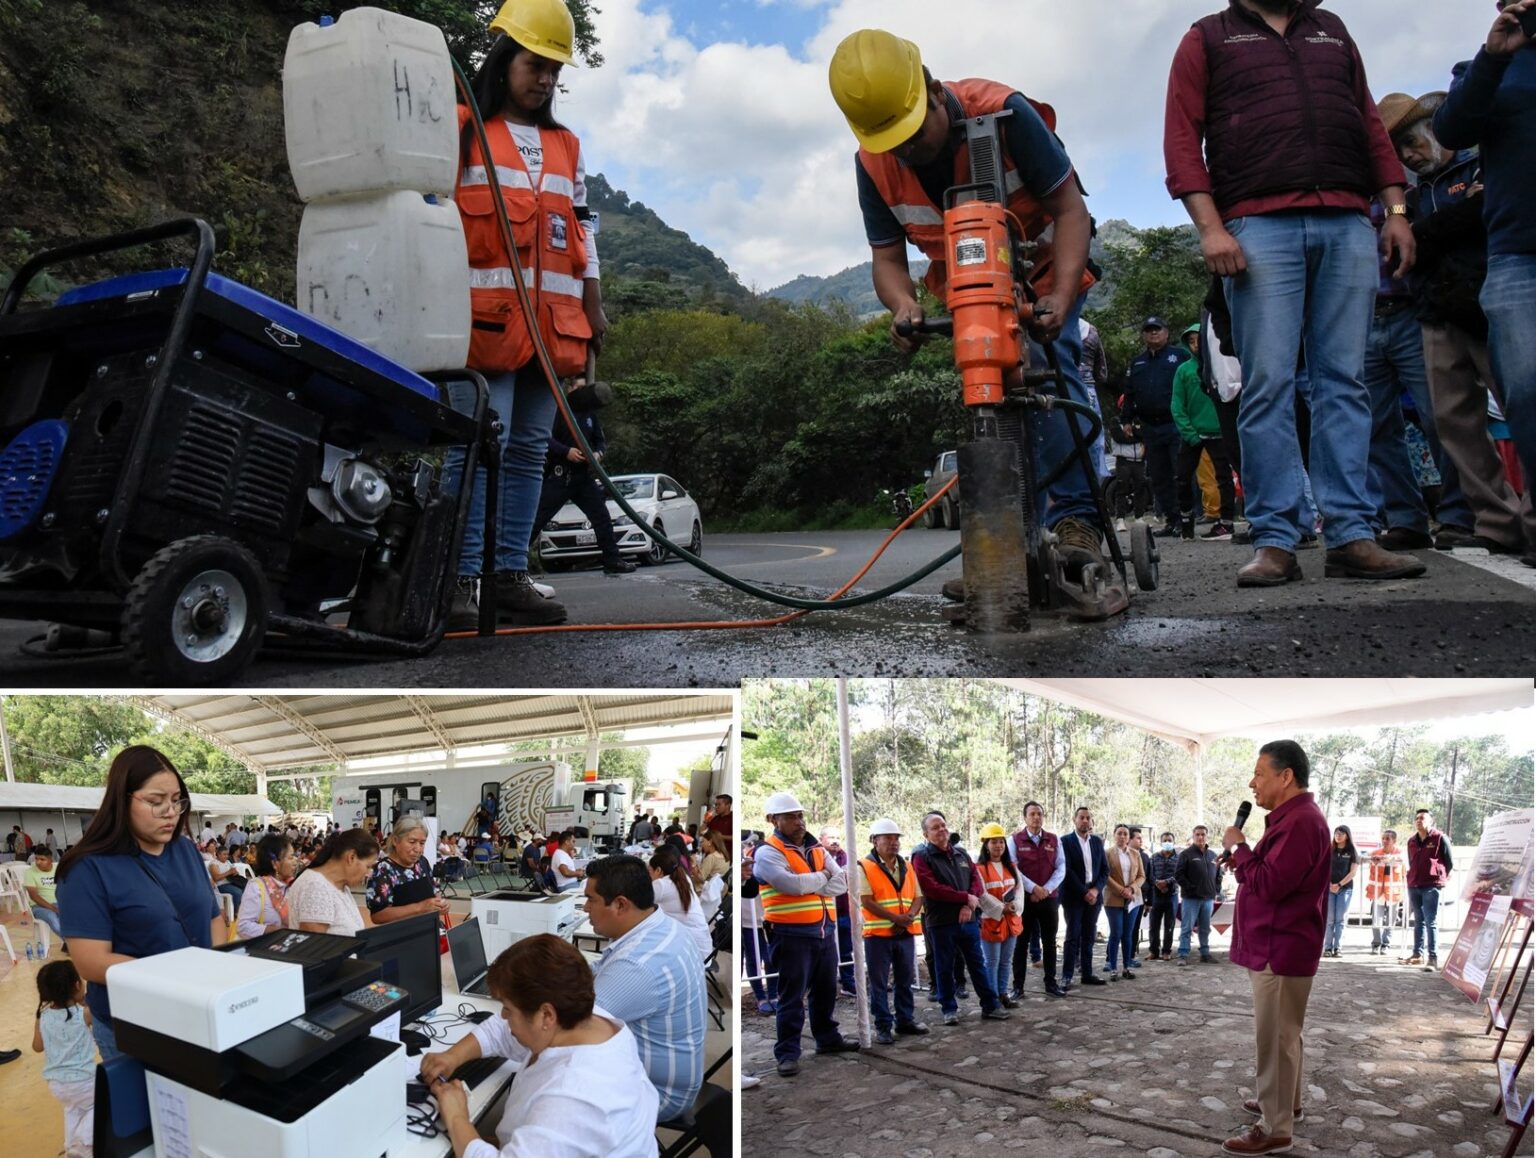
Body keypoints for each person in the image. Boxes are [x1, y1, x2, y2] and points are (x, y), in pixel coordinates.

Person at [828, 28, 1115, 597]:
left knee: (1045, 360)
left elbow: (1071, 210)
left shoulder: (1004, 113)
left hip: (1045, 267)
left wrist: (1057, 297)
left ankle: (1077, 523)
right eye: (892, 141)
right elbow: (887, 261)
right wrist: (904, 305)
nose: (906, 150)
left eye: (911, 134)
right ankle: (1006, 542)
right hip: (969, 287)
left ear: (934, 90)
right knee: (988, 379)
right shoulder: (872, 164)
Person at [1164, 0, 1428, 588]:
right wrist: (1211, 228)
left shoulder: (1330, 30)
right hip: (1259, 227)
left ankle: (1353, 535)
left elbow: (1367, 124)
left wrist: (1396, 210)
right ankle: (1276, 539)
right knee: (1269, 385)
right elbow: (1183, 138)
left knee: (1344, 382)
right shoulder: (1207, 38)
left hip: (1346, 220)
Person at [443, 0, 608, 630]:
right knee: (479, 446)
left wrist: (594, 305)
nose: (544, 80)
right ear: (505, 59)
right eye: (535, 65)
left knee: (531, 449)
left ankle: (507, 574)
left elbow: (582, 229)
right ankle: (460, 581)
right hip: (483, 325)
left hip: (553, 327)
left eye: (554, 72)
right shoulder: (463, 129)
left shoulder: (567, 144)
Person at [1434, 0, 1536, 564]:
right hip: (1518, 252)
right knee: (1524, 389)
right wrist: (1494, 55)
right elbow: (1452, 128)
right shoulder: (1487, 67)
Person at [55, 746, 223, 1063]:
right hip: (132, 1023)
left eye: (176, 801)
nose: (170, 812)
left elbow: (213, 918)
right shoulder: (87, 868)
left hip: (195, 1009)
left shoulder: (185, 851)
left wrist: (206, 974)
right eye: (155, 802)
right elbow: (90, 961)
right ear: (122, 800)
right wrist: (175, 979)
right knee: (142, 1110)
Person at [422, 934, 659, 1157]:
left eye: (508, 1009)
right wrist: (452, 1056)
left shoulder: (575, 1097)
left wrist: (456, 1117)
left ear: (546, 1015)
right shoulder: (587, 1020)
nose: (503, 1017)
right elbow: (501, 1031)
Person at [1220, 740, 1331, 1156]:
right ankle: (1287, 1103)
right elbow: (1272, 874)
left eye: (1260, 774)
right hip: (1279, 945)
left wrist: (1241, 847)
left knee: (1275, 1037)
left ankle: (1275, 1128)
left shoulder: (1301, 821)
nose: (1253, 783)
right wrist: (1246, 861)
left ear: (1286, 777)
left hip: (1280, 948)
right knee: (1286, 1034)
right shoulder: (1292, 819)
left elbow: (1270, 885)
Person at [582, 854, 706, 1120]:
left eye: (590, 899)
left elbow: (572, 1028)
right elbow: (600, 971)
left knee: (543, 1080)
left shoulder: (638, 964)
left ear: (620, 905)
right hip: (670, 1077)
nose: (584, 908)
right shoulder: (660, 927)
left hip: (658, 1093)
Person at [753, 791, 858, 1076]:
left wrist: (814, 881)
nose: (799, 821)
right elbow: (790, 885)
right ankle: (787, 1052)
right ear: (774, 820)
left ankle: (827, 1038)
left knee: (826, 991)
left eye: (800, 815)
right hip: (790, 934)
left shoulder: (817, 849)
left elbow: (841, 882)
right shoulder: (767, 852)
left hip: (824, 931)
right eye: (790, 816)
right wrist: (823, 878)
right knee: (792, 996)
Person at [911, 812, 1011, 1026]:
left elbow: (975, 879)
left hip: (969, 920)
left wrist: (968, 903)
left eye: (943, 825)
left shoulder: (961, 854)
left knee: (977, 964)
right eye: (935, 827)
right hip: (941, 922)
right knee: (944, 966)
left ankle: (990, 1005)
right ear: (926, 834)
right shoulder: (922, 858)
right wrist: (964, 898)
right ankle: (949, 1008)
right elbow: (932, 888)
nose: (941, 830)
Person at [530, 388, 636, 576]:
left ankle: (612, 560)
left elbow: (600, 441)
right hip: (561, 475)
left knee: (602, 516)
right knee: (538, 518)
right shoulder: (557, 411)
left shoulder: (590, 415)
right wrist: (566, 452)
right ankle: (512, 564)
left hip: (584, 477)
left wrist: (598, 454)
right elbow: (545, 439)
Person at [858, 818, 928, 1044]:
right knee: (879, 983)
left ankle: (905, 1020)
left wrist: (907, 918)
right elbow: (866, 901)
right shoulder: (864, 866)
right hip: (878, 935)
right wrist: (895, 918)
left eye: (896, 838)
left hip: (905, 932)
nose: (894, 842)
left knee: (904, 978)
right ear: (874, 841)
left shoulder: (906, 865)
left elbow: (918, 896)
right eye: (888, 838)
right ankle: (883, 1025)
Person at [1124, 318, 1191, 534]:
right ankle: (1171, 520)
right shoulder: (1138, 363)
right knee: (1159, 476)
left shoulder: (1180, 357)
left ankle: (1186, 519)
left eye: (1157, 329)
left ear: (1166, 332)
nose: (1153, 334)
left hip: (1175, 424)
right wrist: (1126, 419)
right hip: (1149, 427)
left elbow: (1192, 385)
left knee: (1180, 473)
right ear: (1143, 335)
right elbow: (1130, 392)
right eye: (1148, 330)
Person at [1171, 323, 1236, 540]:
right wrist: (1189, 433)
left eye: (1198, 339)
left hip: (1218, 431)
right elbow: (1177, 404)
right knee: (1182, 477)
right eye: (1190, 341)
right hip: (1193, 434)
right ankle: (1186, 520)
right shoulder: (1184, 370)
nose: (1195, 344)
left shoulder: (1219, 366)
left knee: (1224, 477)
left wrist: (1227, 426)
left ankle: (1226, 522)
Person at [32, 960, 95, 1158]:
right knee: (101, 1102)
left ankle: (70, 1147)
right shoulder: (83, 1015)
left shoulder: (43, 1016)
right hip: (84, 1081)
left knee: (73, 1109)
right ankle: (82, 1144)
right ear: (77, 985)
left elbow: (37, 1046)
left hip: (57, 1085)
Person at [1010, 801, 1066, 998]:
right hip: (1024, 900)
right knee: (1021, 943)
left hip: (1049, 898)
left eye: (1039, 814)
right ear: (1025, 817)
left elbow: (1061, 867)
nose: (1036, 817)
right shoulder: (1015, 840)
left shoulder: (1053, 839)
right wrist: (1033, 888)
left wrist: (1046, 889)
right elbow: (1013, 869)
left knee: (1050, 942)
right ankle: (1018, 987)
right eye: (1032, 814)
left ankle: (1051, 983)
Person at [286, 828, 378, 935]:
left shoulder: (341, 886)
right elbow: (312, 947)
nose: (369, 873)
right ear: (351, 857)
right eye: (368, 866)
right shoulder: (315, 887)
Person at [366, 817, 452, 925]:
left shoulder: (422, 862)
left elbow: (435, 892)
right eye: (412, 842)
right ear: (395, 841)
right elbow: (377, 916)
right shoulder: (383, 870)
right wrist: (420, 907)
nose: (417, 849)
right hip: (403, 937)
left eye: (422, 843)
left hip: (430, 931)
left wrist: (440, 905)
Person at [975, 823, 1024, 1007]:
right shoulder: (979, 869)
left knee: (1005, 961)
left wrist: (1014, 906)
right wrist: (1000, 908)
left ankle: (1003, 993)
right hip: (991, 921)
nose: (998, 846)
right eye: (994, 842)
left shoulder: (1011, 866)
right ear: (986, 845)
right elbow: (981, 894)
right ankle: (991, 998)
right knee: (991, 962)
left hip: (1011, 921)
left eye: (1001, 842)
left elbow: (1019, 891)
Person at [1059, 806, 1109, 990]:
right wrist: (1084, 892)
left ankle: (1087, 973)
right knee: (1073, 936)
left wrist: (1095, 890)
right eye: (1082, 817)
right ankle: (1067, 976)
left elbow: (1105, 870)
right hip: (1074, 895)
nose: (1085, 821)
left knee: (1089, 935)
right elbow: (1067, 870)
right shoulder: (1065, 841)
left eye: (1088, 818)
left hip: (1094, 895)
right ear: (1074, 819)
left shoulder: (1097, 842)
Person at [1403, 807, 1453, 969]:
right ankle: (1418, 954)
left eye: (1422, 818)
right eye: (1417, 818)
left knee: (1430, 920)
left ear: (1430, 821)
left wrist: (1440, 876)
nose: (1419, 820)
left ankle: (1433, 957)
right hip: (1414, 884)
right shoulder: (1411, 841)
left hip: (1431, 885)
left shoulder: (1439, 838)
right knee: (1418, 920)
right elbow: (1411, 861)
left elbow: (1449, 861)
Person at [647, 845, 711, 959]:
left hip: (693, 952)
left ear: (658, 870)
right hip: (702, 945)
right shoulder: (682, 877)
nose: (648, 875)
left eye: (649, 871)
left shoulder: (662, 885)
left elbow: (636, 901)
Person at [818, 826, 857, 996]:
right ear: (821, 839)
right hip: (824, 912)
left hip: (844, 910)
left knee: (846, 949)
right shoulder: (816, 855)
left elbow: (846, 879)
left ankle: (848, 982)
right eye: (831, 837)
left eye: (838, 837)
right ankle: (826, 986)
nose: (835, 840)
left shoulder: (844, 856)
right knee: (826, 951)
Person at [740, 842, 778, 1015]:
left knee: (771, 959)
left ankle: (774, 995)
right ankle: (760, 997)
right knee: (754, 960)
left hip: (768, 921)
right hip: (748, 922)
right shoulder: (748, 870)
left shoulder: (775, 869)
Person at [236, 834, 298, 941]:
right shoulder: (257, 887)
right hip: (266, 949)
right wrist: (276, 931)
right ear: (275, 863)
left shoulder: (293, 885)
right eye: (291, 857)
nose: (295, 861)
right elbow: (243, 926)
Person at [1102, 824, 1144, 981]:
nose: (1123, 837)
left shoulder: (1135, 854)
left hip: (1133, 899)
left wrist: (1131, 889)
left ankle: (1126, 967)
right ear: (1114, 835)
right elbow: (1105, 875)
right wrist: (1121, 890)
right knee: (1116, 933)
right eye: (1119, 833)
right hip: (1113, 898)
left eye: (1125, 834)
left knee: (1128, 934)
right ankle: (1113, 968)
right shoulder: (1107, 853)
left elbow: (1141, 876)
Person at [1176, 824, 1223, 964]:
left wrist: (1216, 890)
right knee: (1187, 928)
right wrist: (1191, 888)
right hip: (1191, 899)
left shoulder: (1213, 855)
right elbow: (1179, 875)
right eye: (1197, 834)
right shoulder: (1186, 854)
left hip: (1208, 899)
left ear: (1206, 836)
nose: (1200, 837)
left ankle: (1205, 953)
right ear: (1193, 836)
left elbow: (1219, 874)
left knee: (1205, 928)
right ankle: (1183, 955)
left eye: (1203, 834)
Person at [1366, 828, 1406, 955]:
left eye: (1387, 838)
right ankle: (1376, 943)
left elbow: (1402, 860)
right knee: (1376, 919)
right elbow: (1366, 857)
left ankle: (1386, 943)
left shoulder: (1400, 853)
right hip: (1378, 891)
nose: (1384, 841)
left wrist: (1387, 858)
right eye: (1383, 838)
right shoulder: (1375, 852)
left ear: (1394, 840)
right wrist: (1374, 858)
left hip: (1393, 892)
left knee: (1391, 919)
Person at [1323, 825, 1360, 957]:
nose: (1338, 835)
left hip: (1344, 889)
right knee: (1330, 919)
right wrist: (1329, 884)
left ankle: (1337, 948)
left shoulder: (1352, 851)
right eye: (1336, 833)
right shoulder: (1329, 850)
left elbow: (1353, 872)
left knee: (1340, 919)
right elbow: (1323, 868)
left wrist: (1339, 884)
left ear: (1347, 836)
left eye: (1341, 833)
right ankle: (1327, 948)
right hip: (1329, 889)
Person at [1148, 831, 1182, 960]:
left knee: (1169, 925)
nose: (1167, 842)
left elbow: (1180, 875)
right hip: (1156, 895)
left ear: (1173, 842)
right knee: (1154, 925)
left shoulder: (1179, 858)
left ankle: (1166, 951)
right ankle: (1153, 951)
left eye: (1169, 840)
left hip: (1171, 895)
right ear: (1161, 842)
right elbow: (1150, 874)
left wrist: (1166, 883)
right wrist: (1157, 883)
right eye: (1165, 840)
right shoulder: (1154, 857)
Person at [24, 845, 61, 941]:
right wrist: (53, 908)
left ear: (50, 860)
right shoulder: (30, 872)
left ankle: (74, 944)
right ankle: (73, 945)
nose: (38, 862)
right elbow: (34, 896)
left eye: (42, 859)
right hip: (38, 906)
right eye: (36, 858)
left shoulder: (59, 868)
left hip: (60, 903)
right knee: (52, 917)